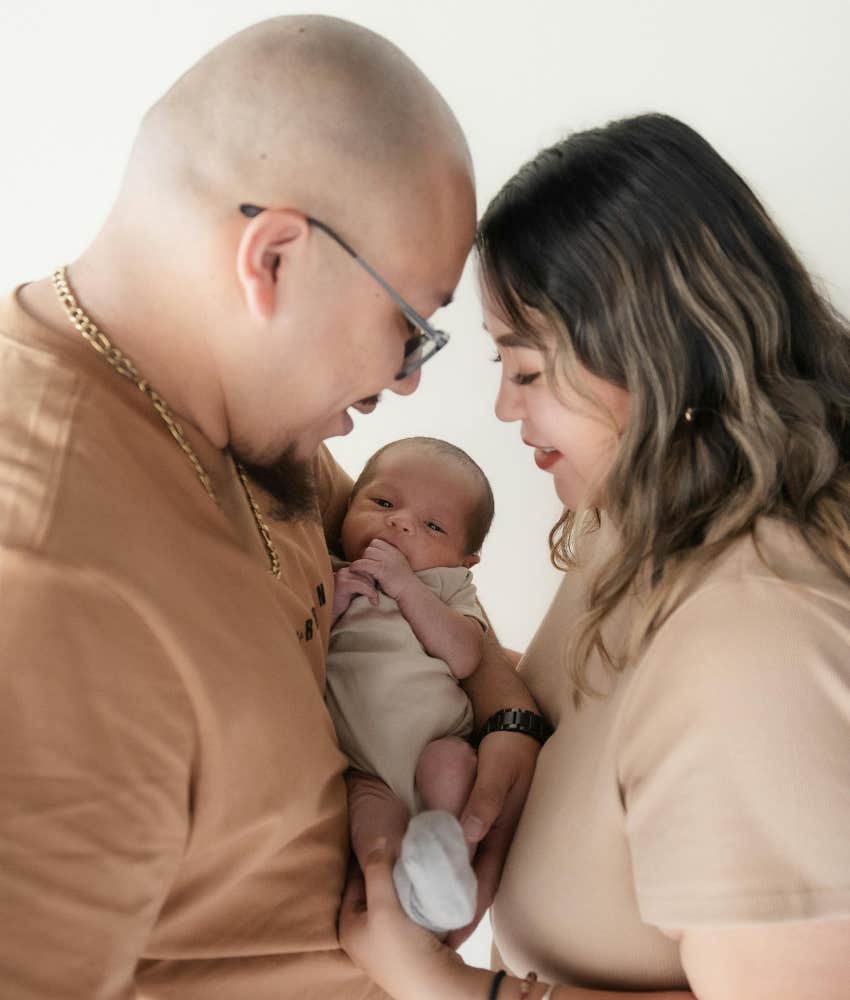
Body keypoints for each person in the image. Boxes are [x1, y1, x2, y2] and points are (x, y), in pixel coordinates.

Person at [0, 16, 545, 999]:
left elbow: (426, 576)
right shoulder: (48, 576)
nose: (408, 381)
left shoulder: (255, 435)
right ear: (276, 258)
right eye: (410, 327)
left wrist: (508, 713)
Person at [338, 113, 850, 999]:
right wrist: (505, 718)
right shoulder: (646, 518)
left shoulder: (757, 648)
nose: (503, 409)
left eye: (527, 372)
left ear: (659, 358)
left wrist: (446, 987)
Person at [326, 436, 496, 934]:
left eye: (433, 526)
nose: (399, 522)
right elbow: (296, 644)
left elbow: (465, 656)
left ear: (465, 560)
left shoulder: (447, 587)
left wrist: (406, 587)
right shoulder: (328, 569)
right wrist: (329, 605)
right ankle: (397, 882)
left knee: (454, 764)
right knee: (367, 813)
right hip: (362, 766)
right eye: (382, 503)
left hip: (433, 744)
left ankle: (447, 861)